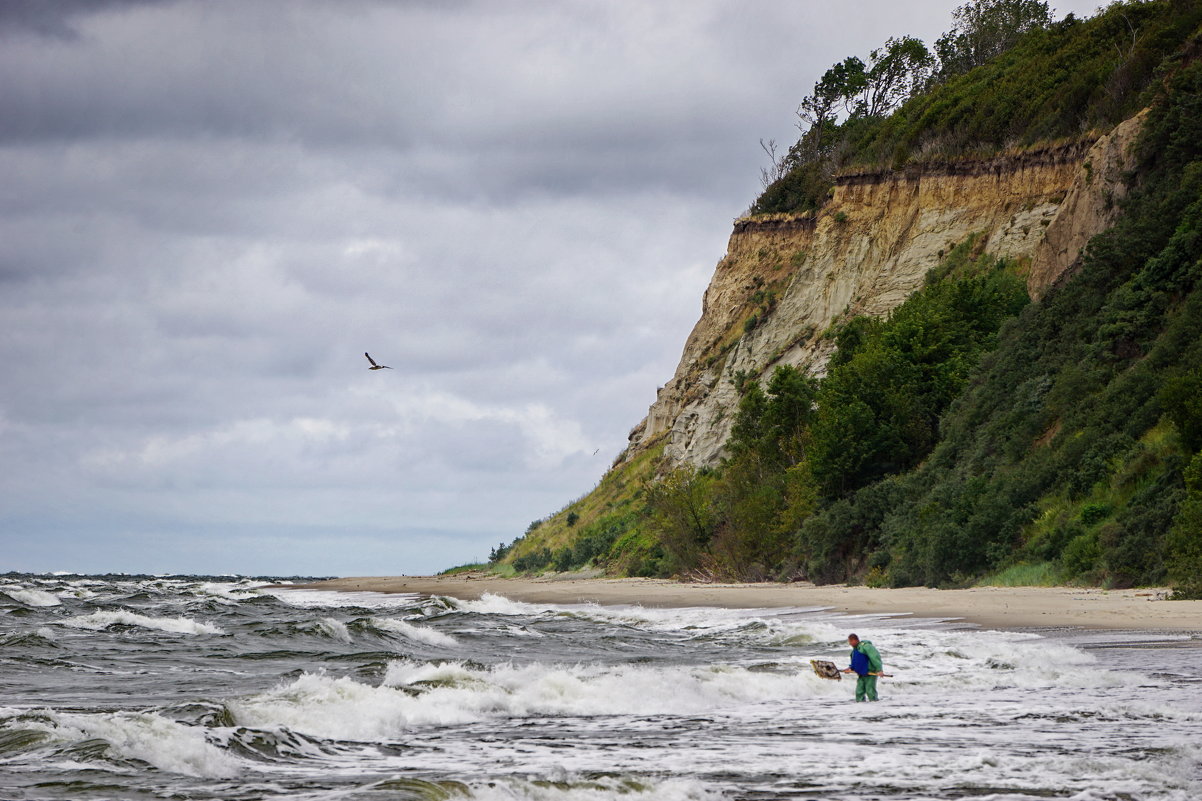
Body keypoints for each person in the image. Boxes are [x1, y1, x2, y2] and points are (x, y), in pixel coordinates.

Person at [841, 633, 883, 702]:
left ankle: (875, 708)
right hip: (861, 674)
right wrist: (850, 668)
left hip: (870, 673)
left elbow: (875, 657)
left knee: (870, 692)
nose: (850, 643)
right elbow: (855, 662)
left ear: (855, 640)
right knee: (859, 692)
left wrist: (879, 670)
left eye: (850, 641)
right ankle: (861, 709)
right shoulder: (855, 650)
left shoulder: (867, 646)